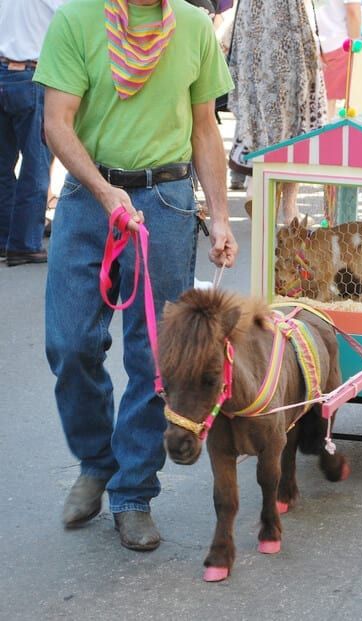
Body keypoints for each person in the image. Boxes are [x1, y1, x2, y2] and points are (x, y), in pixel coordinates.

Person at [33, 0, 237, 550]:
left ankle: (133, 491)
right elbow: (57, 123)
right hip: (86, 197)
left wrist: (219, 217)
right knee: (71, 344)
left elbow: (204, 129)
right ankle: (97, 461)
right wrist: (105, 193)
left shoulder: (193, 27)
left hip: (167, 203)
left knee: (154, 356)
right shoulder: (77, 21)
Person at [228, 0, 327, 223]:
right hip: (288, 48)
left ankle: (258, 189)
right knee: (294, 129)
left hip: (254, 44)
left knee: (259, 120)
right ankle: (289, 208)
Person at [0, 0, 66, 266]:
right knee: (36, 163)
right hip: (32, 73)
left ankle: (6, 236)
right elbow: (71, 18)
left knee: (3, 166)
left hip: (3, 70)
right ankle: (24, 242)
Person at [316, 0, 362, 120]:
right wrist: (355, 42)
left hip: (316, 43)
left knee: (322, 101)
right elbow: (353, 12)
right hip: (339, 43)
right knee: (350, 101)